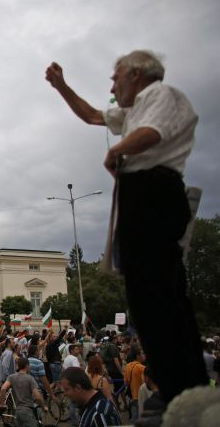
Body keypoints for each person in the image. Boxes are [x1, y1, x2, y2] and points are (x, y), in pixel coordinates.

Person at [46, 50, 208, 404]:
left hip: (155, 188)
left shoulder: (161, 95)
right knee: (146, 296)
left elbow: (153, 133)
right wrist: (62, 86)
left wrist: (115, 150)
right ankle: (178, 389)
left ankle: (185, 390)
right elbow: (91, 115)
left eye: (116, 75)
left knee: (160, 293)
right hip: (137, 192)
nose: (111, 82)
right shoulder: (134, 109)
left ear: (137, 74)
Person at [0, 357, 48, 427]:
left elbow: (3, 389)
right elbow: (38, 397)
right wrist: (43, 407)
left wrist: (2, 404)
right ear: (27, 366)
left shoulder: (11, 377)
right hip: (27, 411)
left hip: (17, 412)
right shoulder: (30, 378)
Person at [124, 346, 146, 423]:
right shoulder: (142, 368)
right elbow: (145, 385)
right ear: (137, 356)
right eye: (142, 354)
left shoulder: (127, 366)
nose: (144, 355)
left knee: (135, 419)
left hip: (132, 397)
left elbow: (126, 383)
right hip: (142, 397)